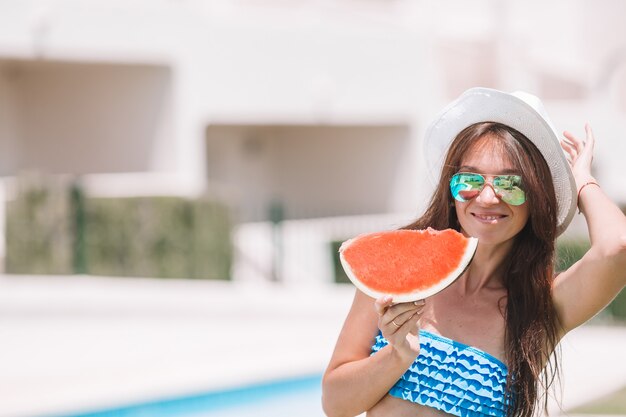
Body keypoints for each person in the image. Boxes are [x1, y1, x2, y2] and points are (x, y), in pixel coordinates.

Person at [321, 88, 626, 417]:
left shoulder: (542, 308)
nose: (487, 197)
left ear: (535, 196)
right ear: (451, 190)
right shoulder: (398, 268)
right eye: (470, 179)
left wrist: (581, 181)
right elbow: (336, 405)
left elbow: (617, 248)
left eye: (510, 183)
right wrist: (396, 356)